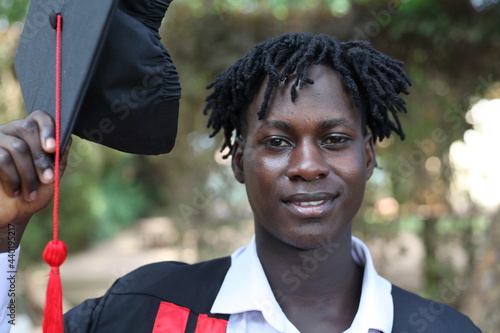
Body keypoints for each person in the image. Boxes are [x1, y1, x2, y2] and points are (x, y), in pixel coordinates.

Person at [0, 33, 481, 332]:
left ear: (368, 156)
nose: (308, 166)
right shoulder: (147, 312)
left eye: (334, 139)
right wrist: (5, 231)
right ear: (237, 161)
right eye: (276, 142)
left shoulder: (440, 330)